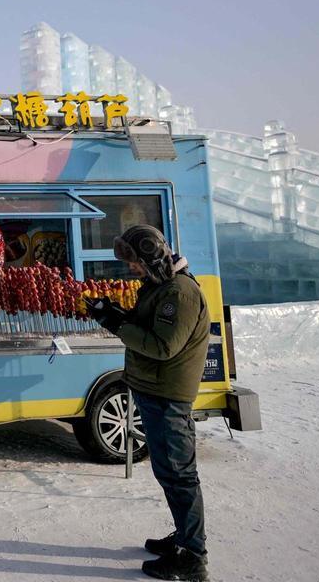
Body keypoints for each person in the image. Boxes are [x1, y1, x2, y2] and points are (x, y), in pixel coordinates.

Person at [88, 225, 211, 582]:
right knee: (168, 472)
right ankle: (184, 537)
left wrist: (117, 325)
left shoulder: (180, 294)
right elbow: (149, 328)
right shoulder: (161, 287)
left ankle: (193, 556)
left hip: (168, 396)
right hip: (155, 391)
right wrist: (117, 315)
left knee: (179, 474)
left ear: (151, 258)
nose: (132, 269)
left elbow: (163, 346)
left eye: (135, 262)